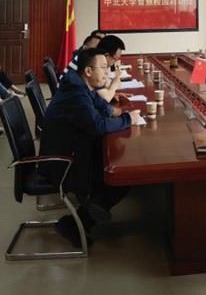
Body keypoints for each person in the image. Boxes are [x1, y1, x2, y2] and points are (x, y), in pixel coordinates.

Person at [40, 48, 140, 248]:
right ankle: (77, 221)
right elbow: (97, 125)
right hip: (63, 161)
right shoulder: (75, 93)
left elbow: (102, 107)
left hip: (73, 149)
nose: (108, 73)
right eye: (103, 68)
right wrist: (128, 119)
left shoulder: (80, 85)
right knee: (121, 175)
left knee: (117, 163)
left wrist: (119, 111)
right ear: (88, 71)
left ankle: (89, 210)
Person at [62, 34, 128, 103]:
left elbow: (100, 94)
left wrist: (112, 94)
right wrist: (114, 86)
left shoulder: (93, 55)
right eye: (115, 59)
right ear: (107, 55)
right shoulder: (92, 60)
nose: (115, 62)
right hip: (68, 102)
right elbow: (105, 99)